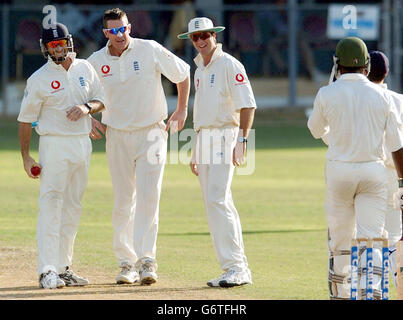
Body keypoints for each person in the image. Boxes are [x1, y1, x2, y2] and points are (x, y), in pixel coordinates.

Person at [87, 8, 190, 285]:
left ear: (129, 27)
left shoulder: (149, 49)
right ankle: (126, 263)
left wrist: (181, 109)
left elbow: (182, 73)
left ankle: (146, 260)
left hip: (152, 131)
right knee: (123, 200)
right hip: (117, 134)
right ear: (106, 33)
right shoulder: (95, 61)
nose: (120, 35)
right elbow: (78, 93)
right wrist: (88, 122)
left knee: (148, 197)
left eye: (123, 29)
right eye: (113, 31)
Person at [307, 37, 403, 300]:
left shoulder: (327, 93)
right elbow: (396, 144)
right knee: (371, 239)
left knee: (340, 240)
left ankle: (340, 294)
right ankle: (370, 294)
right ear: (366, 64)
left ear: (337, 64)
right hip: (373, 173)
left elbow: (316, 130)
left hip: (339, 172)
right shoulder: (382, 96)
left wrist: (336, 133)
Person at [17, 22, 105, 289]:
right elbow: (25, 120)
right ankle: (46, 270)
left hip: (81, 144)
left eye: (61, 44)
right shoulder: (39, 79)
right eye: (52, 45)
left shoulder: (84, 68)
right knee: (52, 205)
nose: (58, 49)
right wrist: (26, 157)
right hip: (53, 145)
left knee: (73, 206)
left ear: (69, 43)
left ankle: (64, 267)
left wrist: (87, 108)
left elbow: (101, 98)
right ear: (45, 48)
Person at [177, 17, 256, 287]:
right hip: (205, 137)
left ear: (214, 35)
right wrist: (196, 149)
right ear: (190, 40)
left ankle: (238, 268)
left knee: (218, 199)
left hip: (226, 135)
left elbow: (248, 105)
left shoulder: (229, 64)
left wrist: (243, 141)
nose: (201, 41)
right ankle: (231, 267)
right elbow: (202, 114)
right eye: (196, 37)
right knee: (214, 204)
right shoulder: (199, 69)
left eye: (205, 35)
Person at [367, 51, 403, 288]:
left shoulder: (360, 99)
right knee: (392, 236)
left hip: (368, 171)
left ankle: (373, 289)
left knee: (367, 235)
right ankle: (397, 286)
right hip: (394, 174)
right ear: (387, 72)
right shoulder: (399, 99)